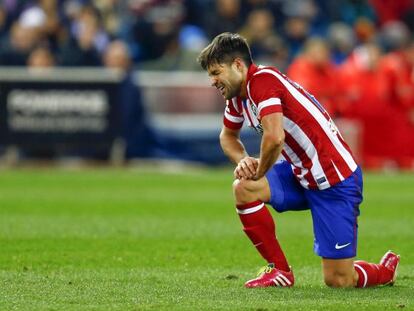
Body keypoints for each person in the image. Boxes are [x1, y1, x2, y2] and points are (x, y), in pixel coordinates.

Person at [196, 32, 400, 288]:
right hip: (299, 173)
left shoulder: (262, 81)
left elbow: (274, 137)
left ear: (238, 65)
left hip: (334, 180)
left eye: (216, 72)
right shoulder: (237, 96)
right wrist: (243, 160)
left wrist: (258, 170)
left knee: (339, 280)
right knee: (244, 187)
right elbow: (227, 137)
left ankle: (385, 272)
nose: (213, 81)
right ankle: (280, 270)